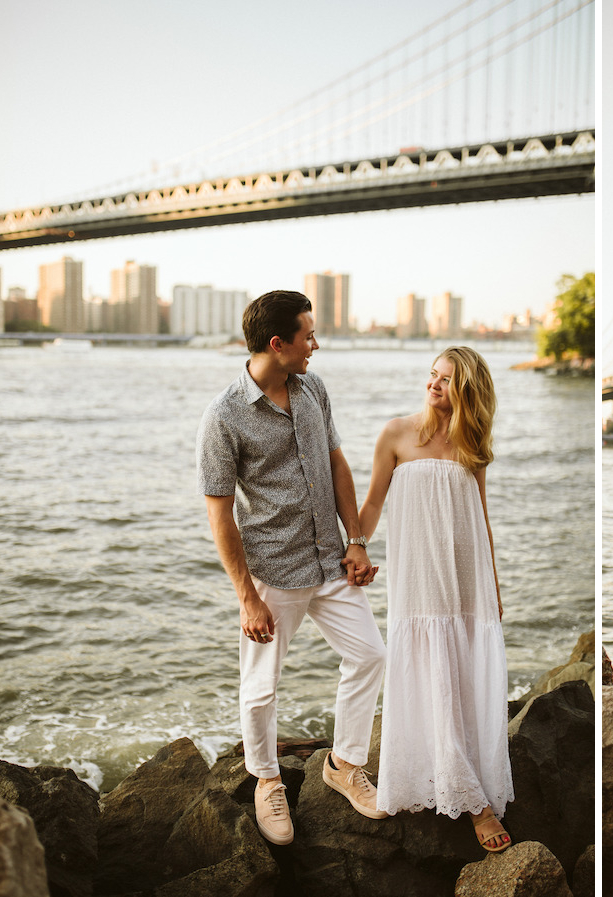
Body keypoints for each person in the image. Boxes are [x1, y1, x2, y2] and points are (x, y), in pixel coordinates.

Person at [197, 290, 388, 846]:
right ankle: (266, 779)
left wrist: (357, 540)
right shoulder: (224, 416)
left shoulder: (313, 390)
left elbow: (336, 463)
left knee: (371, 653)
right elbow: (220, 512)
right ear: (277, 344)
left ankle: (344, 765)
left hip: (329, 558)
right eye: (308, 336)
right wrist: (246, 597)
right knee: (261, 686)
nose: (316, 345)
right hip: (272, 570)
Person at [357, 346, 514, 853]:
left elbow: (482, 513)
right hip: (419, 577)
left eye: (446, 380)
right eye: (432, 375)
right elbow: (374, 501)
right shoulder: (396, 433)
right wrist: (354, 549)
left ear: (466, 391)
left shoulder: (473, 440)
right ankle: (474, 803)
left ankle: (461, 774)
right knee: (433, 669)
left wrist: (492, 583)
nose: (434, 385)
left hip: (463, 574)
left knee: (462, 674)